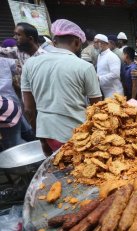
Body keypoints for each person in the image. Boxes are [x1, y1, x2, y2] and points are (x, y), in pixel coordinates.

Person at [21, 19, 102, 155]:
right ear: (77, 42)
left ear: (54, 42)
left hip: (48, 135)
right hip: (78, 136)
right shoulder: (85, 67)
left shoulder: (30, 64)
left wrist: (41, 138)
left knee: (60, 171)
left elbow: (29, 109)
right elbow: (99, 108)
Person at [94, 34, 124, 98]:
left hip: (115, 93)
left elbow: (115, 74)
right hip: (106, 93)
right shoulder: (100, 55)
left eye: (95, 42)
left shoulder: (112, 56)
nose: (94, 45)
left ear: (102, 43)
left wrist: (99, 78)